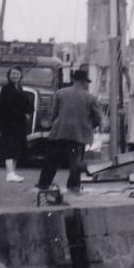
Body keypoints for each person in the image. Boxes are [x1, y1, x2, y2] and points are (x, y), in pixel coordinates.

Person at [36, 67, 101, 195]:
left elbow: (53, 114)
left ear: (74, 80)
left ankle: (44, 184)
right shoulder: (90, 97)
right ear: (83, 82)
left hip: (59, 132)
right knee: (75, 161)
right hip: (79, 134)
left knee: (52, 159)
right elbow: (98, 117)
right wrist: (89, 126)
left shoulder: (60, 93)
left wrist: (55, 124)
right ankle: (74, 185)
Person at [0, 66, 33, 182]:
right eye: (13, 74)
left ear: (21, 76)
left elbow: (26, 103)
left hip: (19, 124)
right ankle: (10, 173)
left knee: (16, 148)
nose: (15, 76)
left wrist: (29, 111)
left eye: (17, 74)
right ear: (9, 75)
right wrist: (23, 113)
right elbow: (6, 107)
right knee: (9, 149)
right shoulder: (6, 89)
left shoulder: (20, 88)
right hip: (9, 124)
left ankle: (13, 172)